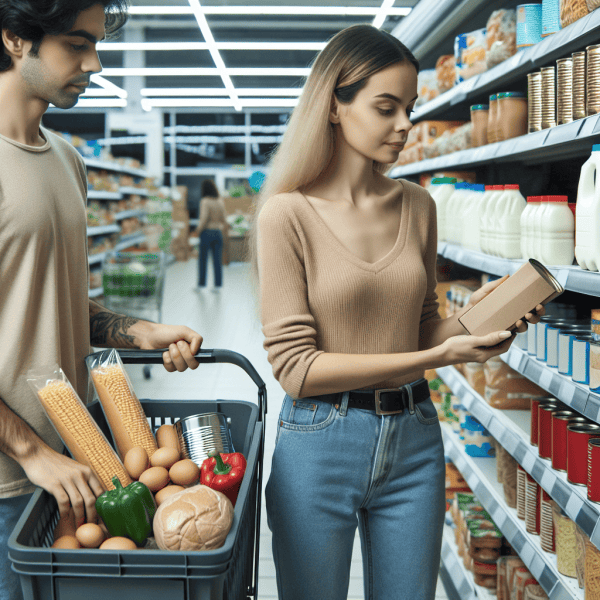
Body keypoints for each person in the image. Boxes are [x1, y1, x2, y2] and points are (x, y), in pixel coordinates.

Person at [250, 24, 544, 600]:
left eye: (409, 107)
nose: (405, 125)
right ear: (334, 105)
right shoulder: (286, 215)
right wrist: (437, 354)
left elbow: (419, 327)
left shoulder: (417, 204)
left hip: (413, 440)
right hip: (318, 442)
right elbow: (296, 369)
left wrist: (477, 324)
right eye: (386, 108)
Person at [0, 3, 203, 598]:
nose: (94, 62)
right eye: (76, 44)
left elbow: (53, 301)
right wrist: (31, 452)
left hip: (76, 465)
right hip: (12, 480)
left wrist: (137, 330)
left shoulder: (67, 160)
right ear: (14, 38)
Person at [193, 179, 229, 289]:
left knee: (202, 259)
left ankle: (201, 284)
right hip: (218, 233)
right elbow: (224, 219)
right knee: (217, 260)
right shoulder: (219, 201)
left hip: (207, 233)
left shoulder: (205, 201)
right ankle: (218, 285)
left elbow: (204, 219)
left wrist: (197, 231)